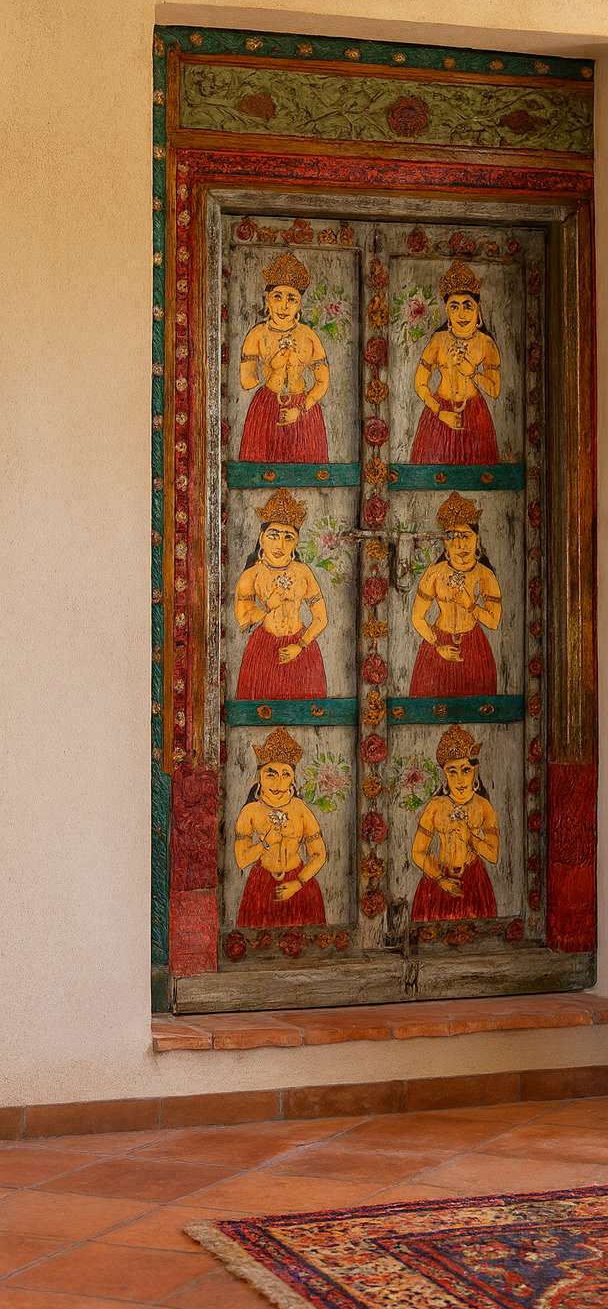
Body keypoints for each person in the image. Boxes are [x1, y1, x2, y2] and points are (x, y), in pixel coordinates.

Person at [234, 488, 328, 699]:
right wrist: (267, 607)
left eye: (288, 537)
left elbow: (321, 618)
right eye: (273, 536)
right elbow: (242, 618)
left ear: (296, 542)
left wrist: (300, 645)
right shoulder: (253, 574)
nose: (280, 545)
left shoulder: (302, 572)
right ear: (262, 538)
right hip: (264, 650)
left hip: (300, 649)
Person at [238, 252, 330, 463]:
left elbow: (323, 380)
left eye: (292, 299)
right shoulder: (257, 334)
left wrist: (301, 409)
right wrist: (270, 368)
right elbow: (246, 381)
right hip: (266, 407)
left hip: (303, 409)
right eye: (277, 297)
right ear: (267, 301)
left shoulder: (308, 335)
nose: (284, 306)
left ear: (299, 305)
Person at [410, 491, 501, 697]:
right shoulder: (435, 573)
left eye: (466, 536)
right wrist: (438, 645)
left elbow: (494, 621)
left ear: (477, 539)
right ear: (446, 543)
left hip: (473, 649)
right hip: (438, 646)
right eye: (453, 537)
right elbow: (418, 617)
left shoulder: (484, 575)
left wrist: (472, 607)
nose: (460, 545)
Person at [410, 258, 501, 465]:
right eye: (454, 306)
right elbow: (420, 383)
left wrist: (473, 373)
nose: (461, 314)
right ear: (447, 311)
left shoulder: (486, 343)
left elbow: (495, 390)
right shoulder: (438, 341)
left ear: (477, 308)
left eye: (467, 306)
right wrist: (440, 412)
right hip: (439, 415)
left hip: (475, 417)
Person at [234, 728, 327, 927]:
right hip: (261, 887)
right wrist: (264, 844)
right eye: (271, 774)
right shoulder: (250, 812)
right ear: (259, 777)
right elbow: (241, 860)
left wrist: (298, 883)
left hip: (298, 884)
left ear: (293, 780)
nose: (278, 782)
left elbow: (319, 854)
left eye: (285, 774)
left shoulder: (301, 810)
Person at [411, 725, 499, 921]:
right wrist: (441, 880)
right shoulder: (435, 806)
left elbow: (492, 855)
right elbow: (418, 852)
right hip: (439, 879)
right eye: (452, 772)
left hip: (474, 881)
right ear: (444, 774)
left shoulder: (484, 806)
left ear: (474, 770)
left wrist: (471, 838)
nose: (460, 780)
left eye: (465, 770)